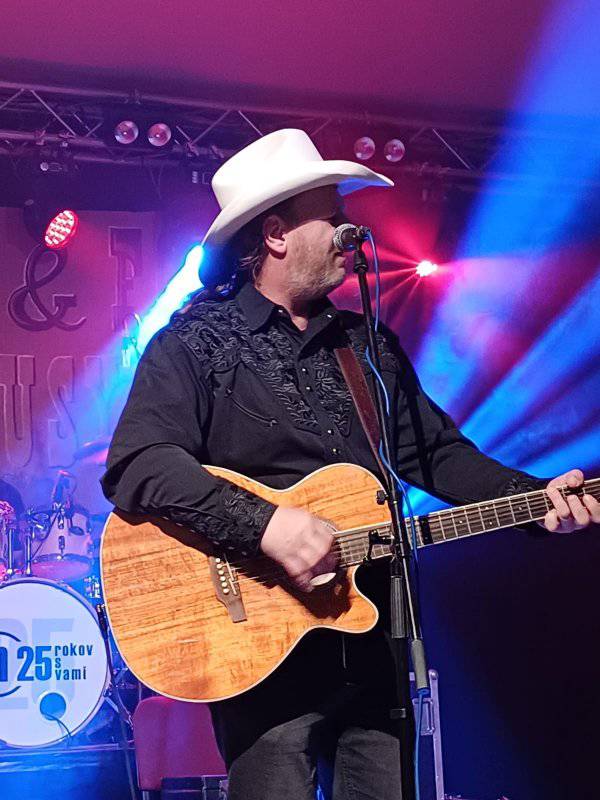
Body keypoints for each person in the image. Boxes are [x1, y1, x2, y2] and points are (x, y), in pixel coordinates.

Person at [101, 129, 599, 800]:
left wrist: (537, 499)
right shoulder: (195, 342)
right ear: (276, 234)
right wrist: (265, 525)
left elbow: (436, 454)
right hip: (258, 649)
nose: (348, 230)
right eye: (330, 215)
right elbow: (139, 463)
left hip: (373, 640)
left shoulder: (366, 344)